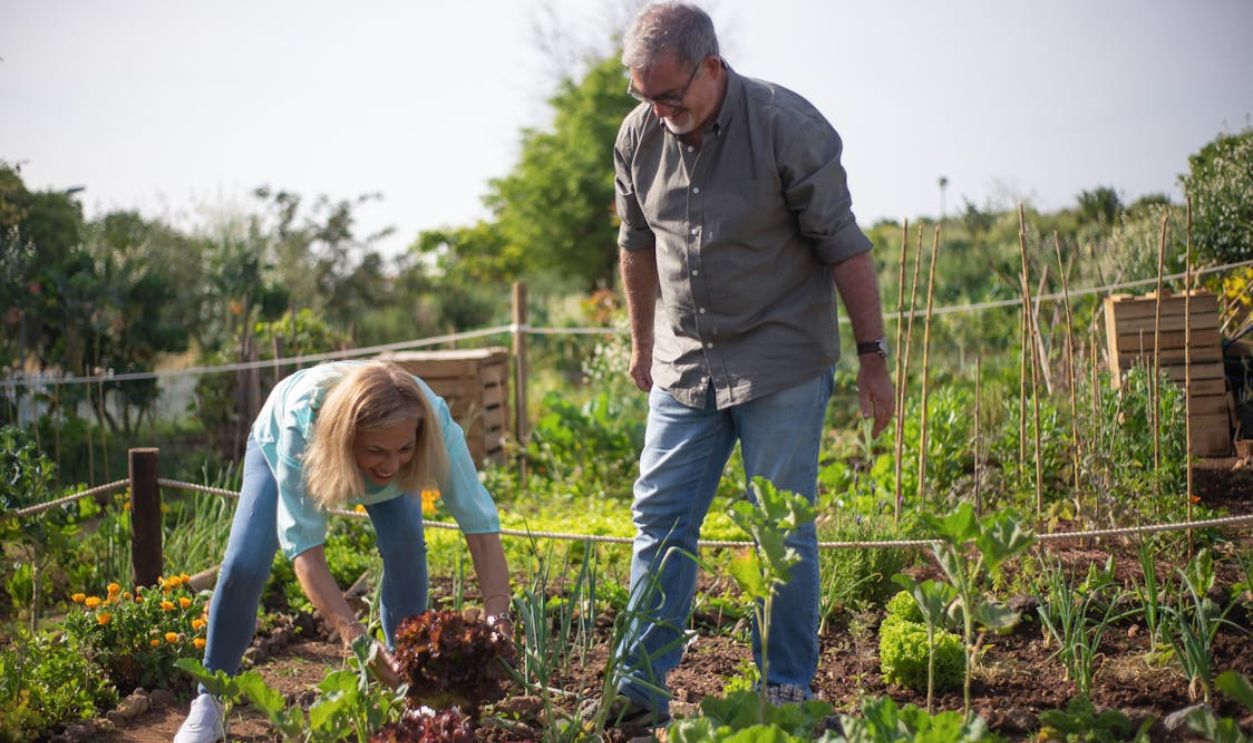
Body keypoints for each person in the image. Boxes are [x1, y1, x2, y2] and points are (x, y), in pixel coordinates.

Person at [608, 1, 895, 728]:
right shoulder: (638, 136)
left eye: (670, 95)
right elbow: (636, 244)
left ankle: (785, 692)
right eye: (644, 97)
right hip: (684, 362)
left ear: (712, 66)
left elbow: (845, 245)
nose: (659, 111)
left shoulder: (784, 125)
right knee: (659, 519)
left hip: (780, 360)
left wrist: (872, 357)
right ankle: (636, 692)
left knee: (779, 527)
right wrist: (643, 344)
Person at [175, 360, 512, 743]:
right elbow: (306, 553)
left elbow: (482, 531)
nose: (391, 464)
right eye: (377, 450)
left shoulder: (432, 422)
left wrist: (497, 616)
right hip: (294, 442)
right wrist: (355, 637)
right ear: (349, 438)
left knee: (407, 552)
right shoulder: (300, 430)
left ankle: (410, 687)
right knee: (244, 566)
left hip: (372, 451)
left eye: (405, 447)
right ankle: (210, 701)